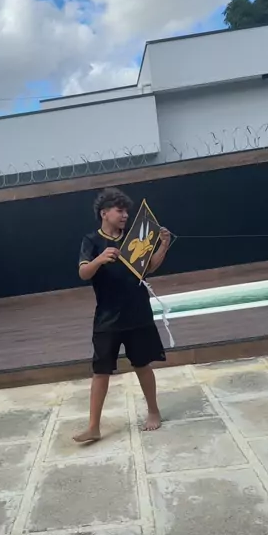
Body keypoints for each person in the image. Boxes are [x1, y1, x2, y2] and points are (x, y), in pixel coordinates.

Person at [74, 187, 171, 443]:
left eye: (127, 211)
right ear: (104, 213)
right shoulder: (91, 241)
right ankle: (93, 427)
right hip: (107, 316)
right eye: (120, 211)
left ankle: (154, 411)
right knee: (101, 371)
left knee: (142, 365)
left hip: (137, 312)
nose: (125, 215)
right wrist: (99, 259)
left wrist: (163, 245)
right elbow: (83, 273)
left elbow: (149, 268)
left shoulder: (134, 238)